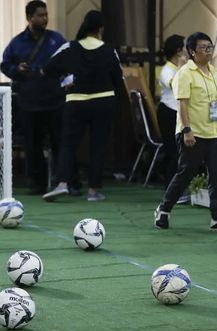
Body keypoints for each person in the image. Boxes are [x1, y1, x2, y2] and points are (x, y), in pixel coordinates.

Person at [153, 32, 217, 232]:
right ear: (192, 51)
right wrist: (187, 131)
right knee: (185, 174)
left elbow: (216, 104)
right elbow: (181, 103)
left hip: (214, 133)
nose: (208, 51)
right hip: (193, 133)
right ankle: (163, 209)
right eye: (204, 47)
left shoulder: (213, 72)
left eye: (210, 47)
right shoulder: (185, 73)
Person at [41, 10, 126, 202]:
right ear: (101, 29)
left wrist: (65, 80)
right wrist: (119, 106)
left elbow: (47, 69)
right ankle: (94, 191)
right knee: (98, 145)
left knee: (68, 144)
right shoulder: (109, 49)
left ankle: (62, 183)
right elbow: (118, 80)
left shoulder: (69, 47)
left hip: (76, 102)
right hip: (104, 102)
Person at [0, 1, 67, 195]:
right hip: (29, 101)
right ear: (29, 18)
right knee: (32, 145)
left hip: (54, 100)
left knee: (60, 143)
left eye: (46, 15)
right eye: (40, 15)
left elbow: (68, 61)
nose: (44, 19)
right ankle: (36, 183)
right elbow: (5, 65)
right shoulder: (17, 42)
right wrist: (16, 70)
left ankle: (63, 182)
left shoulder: (57, 39)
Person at [157, 35, 187, 190]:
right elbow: (177, 86)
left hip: (179, 113)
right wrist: (183, 68)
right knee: (173, 151)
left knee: (181, 151)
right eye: (184, 47)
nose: (186, 51)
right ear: (178, 51)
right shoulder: (166, 70)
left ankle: (179, 187)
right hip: (168, 112)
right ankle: (171, 188)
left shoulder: (179, 67)